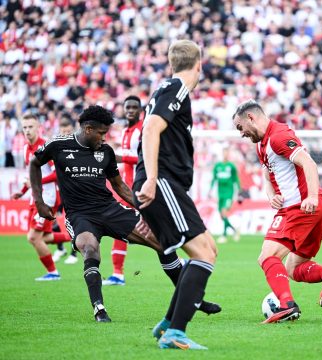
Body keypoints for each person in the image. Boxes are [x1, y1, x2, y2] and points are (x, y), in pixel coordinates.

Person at [30, 105, 219, 323]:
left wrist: (145, 210)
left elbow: (119, 187)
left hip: (110, 210)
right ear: (88, 129)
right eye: (101, 133)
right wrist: (39, 200)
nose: (104, 138)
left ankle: (194, 300)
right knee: (90, 250)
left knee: (162, 241)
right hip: (80, 215)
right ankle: (99, 309)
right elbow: (35, 163)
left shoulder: (105, 152)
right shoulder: (58, 145)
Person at [132, 40, 218, 350]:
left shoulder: (166, 88)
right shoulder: (177, 89)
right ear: (199, 64)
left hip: (167, 184)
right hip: (163, 182)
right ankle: (175, 333)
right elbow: (151, 129)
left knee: (209, 248)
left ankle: (169, 323)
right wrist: (152, 180)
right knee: (203, 254)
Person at [232, 99, 322, 324]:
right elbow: (267, 174)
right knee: (294, 267)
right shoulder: (262, 144)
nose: (241, 133)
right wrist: (272, 195)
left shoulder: (278, 136)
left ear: (251, 118)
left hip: (301, 207)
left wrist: (310, 197)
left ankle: (286, 306)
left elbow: (309, 164)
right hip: (314, 207)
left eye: (240, 127)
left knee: (267, 256)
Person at [11, 113, 71, 281]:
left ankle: (53, 272)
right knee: (44, 238)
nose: (28, 130)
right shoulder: (25, 149)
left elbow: (57, 174)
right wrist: (22, 191)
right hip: (35, 198)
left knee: (33, 237)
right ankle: (76, 238)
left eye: (31, 127)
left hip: (48, 199)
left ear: (38, 127)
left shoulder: (46, 147)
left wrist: (37, 181)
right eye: (25, 127)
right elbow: (31, 176)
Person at [103, 96, 143, 286]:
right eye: (128, 107)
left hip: (141, 187)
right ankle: (117, 273)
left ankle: (182, 260)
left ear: (140, 110)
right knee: (120, 228)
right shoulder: (126, 131)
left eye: (135, 107)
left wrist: (119, 156)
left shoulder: (143, 130)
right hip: (127, 188)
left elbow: (146, 157)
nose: (131, 110)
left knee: (160, 228)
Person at [52, 114, 79, 265]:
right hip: (59, 190)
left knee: (72, 221)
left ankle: (73, 254)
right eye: (63, 132)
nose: (66, 134)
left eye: (68, 132)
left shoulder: (77, 147)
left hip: (74, 191)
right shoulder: (56, 148)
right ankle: (61, 248)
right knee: (54, 218)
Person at [209, 148, 241, 244]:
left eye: (227, 153)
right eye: (224, 153)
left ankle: (224, 235)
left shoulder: (231, 166)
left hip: (229, 193)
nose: (225, 155)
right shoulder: (217, 166)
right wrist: (210, 190)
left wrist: (239, 191)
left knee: (224, 212)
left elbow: (236, 179)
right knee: (222, 216)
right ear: (222, 154)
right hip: (220, 193)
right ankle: (235, 230)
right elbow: (214, 179)